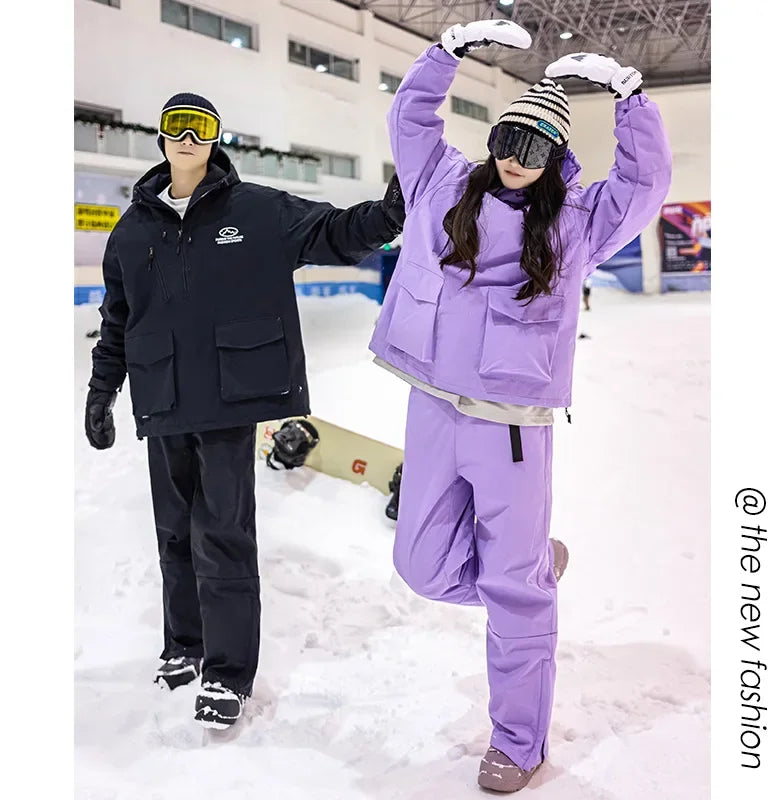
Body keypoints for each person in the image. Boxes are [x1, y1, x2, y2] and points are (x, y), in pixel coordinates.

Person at [368, 21, 671, 793]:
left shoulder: (576, 221)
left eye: (536, 147)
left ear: (556, 156)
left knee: (513, 594)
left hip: (512, 431)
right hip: (434, 408)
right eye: (509, 137)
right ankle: (532, 577)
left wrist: (630, 99)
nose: (516, 156)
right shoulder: (440, 183)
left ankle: (518, 740)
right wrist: (446, 53)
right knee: (420, 567)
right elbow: (410, 119)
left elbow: (643, 184)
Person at [84, 93, 405, 729]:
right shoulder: (131, 231)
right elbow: (117, 321)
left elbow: (335, 232)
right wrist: (101, 391)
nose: (187, 137)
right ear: (161, 138)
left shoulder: (257, 210)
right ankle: (184, 646)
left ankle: (227, 674)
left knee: (223, 535)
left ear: (215, 138)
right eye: (176, 126)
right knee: (174, 534)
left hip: (228, 400)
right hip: (163, 398)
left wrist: (391, 211)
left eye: (200, 127)